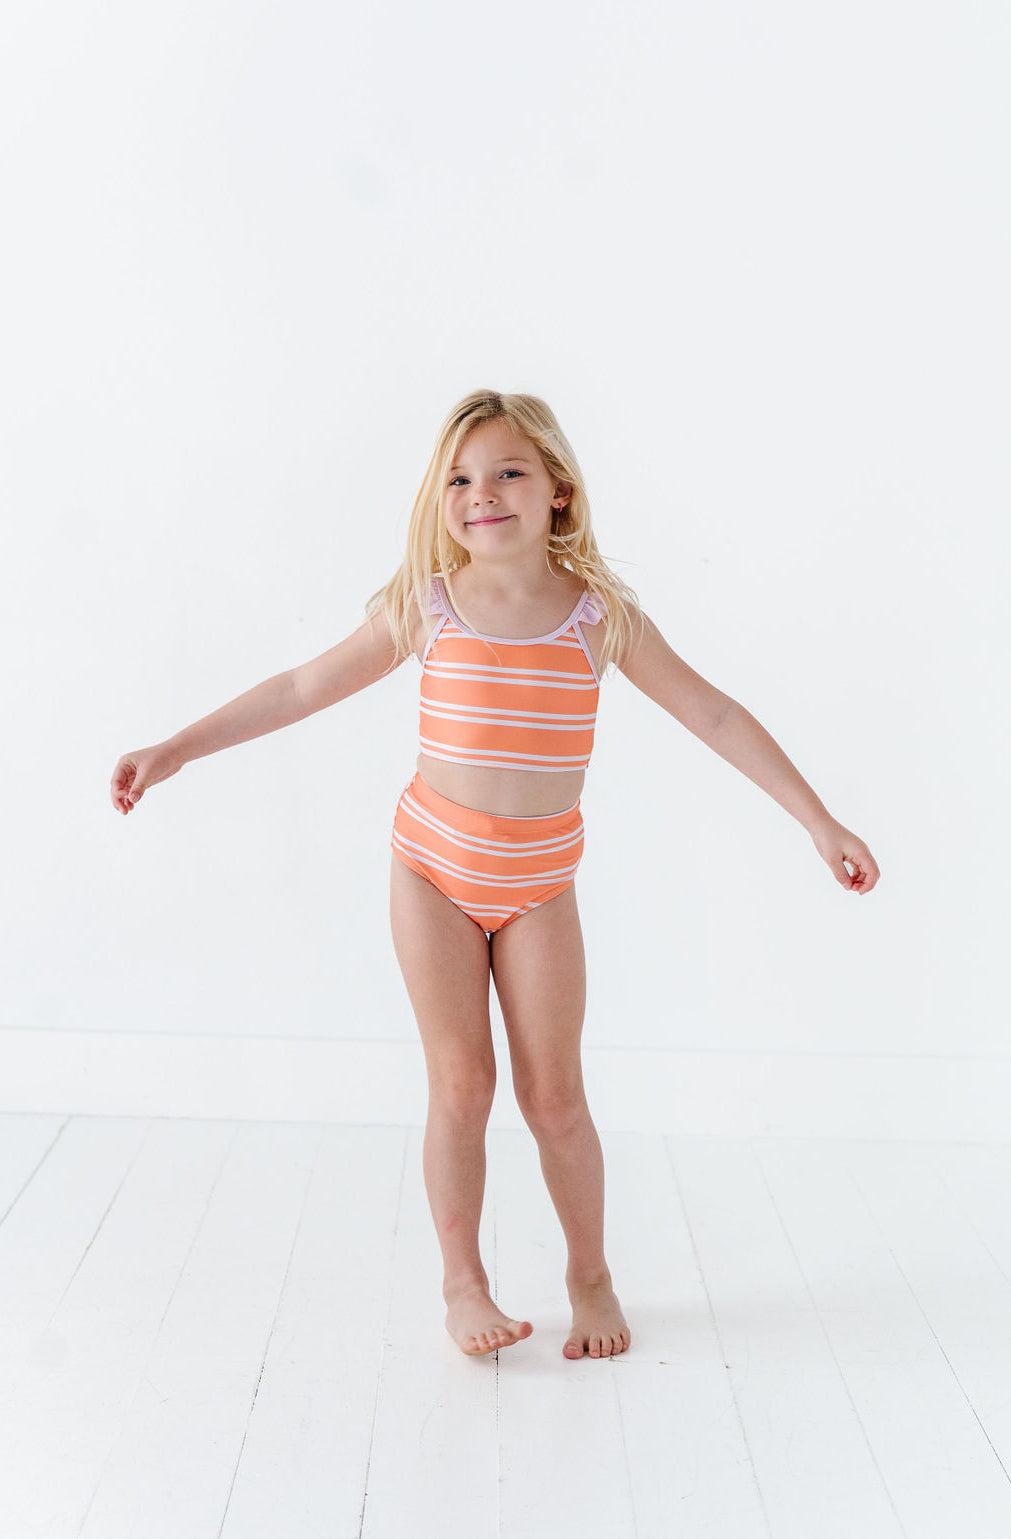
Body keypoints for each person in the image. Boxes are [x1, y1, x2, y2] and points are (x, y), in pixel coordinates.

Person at [110, 388, 880, 1362]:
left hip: (538, 887)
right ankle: (461, 1283)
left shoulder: (600, 619)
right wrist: (175, 749)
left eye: (508, 472)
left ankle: (589, 1275)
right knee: (462, 1084)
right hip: (431, 874)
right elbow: (303, 686)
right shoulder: (426, 606)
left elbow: (715, 714)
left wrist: (817, 818)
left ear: (558, 489)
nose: (482, 493)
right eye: (461, 479)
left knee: (554, 1099)